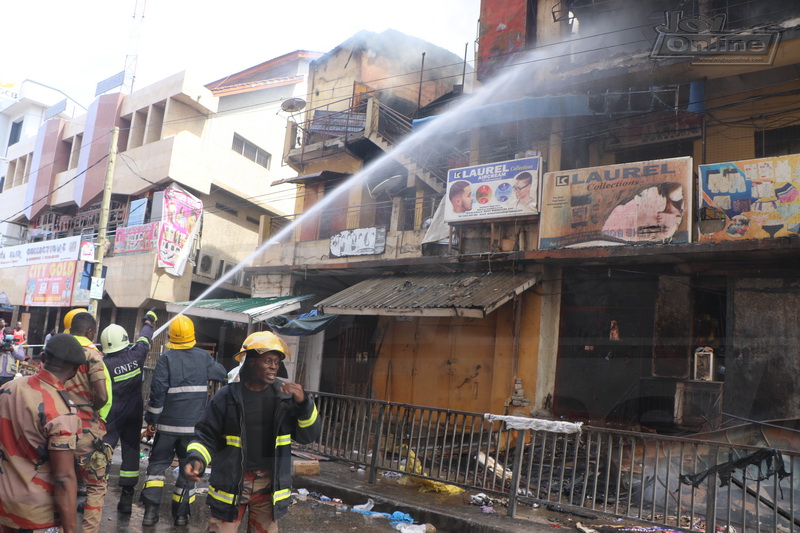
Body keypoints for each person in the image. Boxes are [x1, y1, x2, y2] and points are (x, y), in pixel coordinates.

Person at [184, 331, 321, 533]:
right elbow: (206, 436)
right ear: (250, 362)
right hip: (232, 484)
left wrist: (304, 405)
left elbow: (308, 436)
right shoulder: (226, 397)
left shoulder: (285, 397)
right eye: (267, 360)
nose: (274, 366)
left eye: (276, 361)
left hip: (269, 486)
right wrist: (196, 460)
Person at [141, 315, 227, 526]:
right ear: (192, 336)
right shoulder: (202, 357)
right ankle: (180, 516)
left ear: (171, 337)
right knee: (189, 470)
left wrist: (151, 420)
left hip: (167, 428)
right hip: (193, 429)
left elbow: (157, 393)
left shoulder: (166, 359)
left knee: (157, 469)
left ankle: (150, 514)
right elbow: (221, 373)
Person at [0, 333, 87, 533]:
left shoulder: (7, 389)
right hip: (36, 515)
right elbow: (64, 477)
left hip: (5, 507)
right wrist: (70, 529)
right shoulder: (62, 412)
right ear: (76, 370)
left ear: (43, 358)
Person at [101, 309, 157, 514]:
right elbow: (145, 338)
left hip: (113, 416)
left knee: (103, 452)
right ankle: (126, 499)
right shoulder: (137, 353)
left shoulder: (104, 364)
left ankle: (97, 494)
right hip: (135, 414)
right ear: (124, 340)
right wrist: (149, 321)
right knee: (131, 453)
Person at [65, 312, 112, 533]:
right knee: (95, 486)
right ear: (90, 332)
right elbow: (103, 397)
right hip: (86, 431)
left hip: (57, 427)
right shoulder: (92, 356)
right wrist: (89, 410)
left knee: (61, 482)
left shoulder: (56, 351)